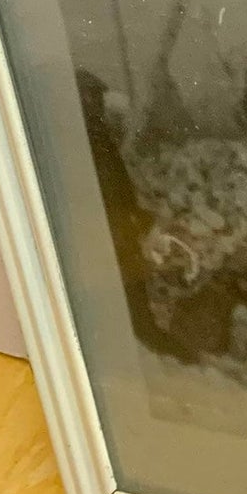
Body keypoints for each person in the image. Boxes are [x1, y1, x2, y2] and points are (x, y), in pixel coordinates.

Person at [75, 67, 168, 353]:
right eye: (92, 97)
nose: (98, 104)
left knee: (130, 279)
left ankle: (143, 333)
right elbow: (105, 187)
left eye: (97, 98)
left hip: (115, 221)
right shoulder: (87, 139)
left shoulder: (97, 135)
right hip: (107, 224)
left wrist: (138, 215)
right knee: (126, 280)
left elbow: (117, 183)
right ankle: (144, 335)